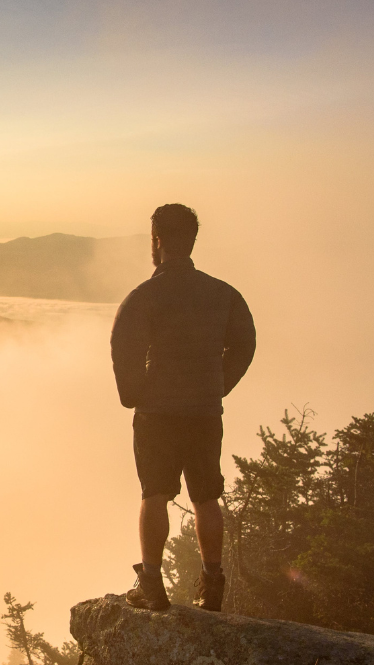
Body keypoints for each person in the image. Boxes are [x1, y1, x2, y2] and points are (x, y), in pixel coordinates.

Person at [110, 204, 256, 611]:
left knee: (154, 493)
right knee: (206, 496)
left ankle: (151, 585)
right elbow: (245, 343)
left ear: (156, 241)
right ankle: (211, 584)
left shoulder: (144, 297)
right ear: (192, 240)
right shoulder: (223, 295)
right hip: (205, 412)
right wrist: (218, 385)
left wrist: (134, 393)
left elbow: (125, 348)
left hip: (157, 412)